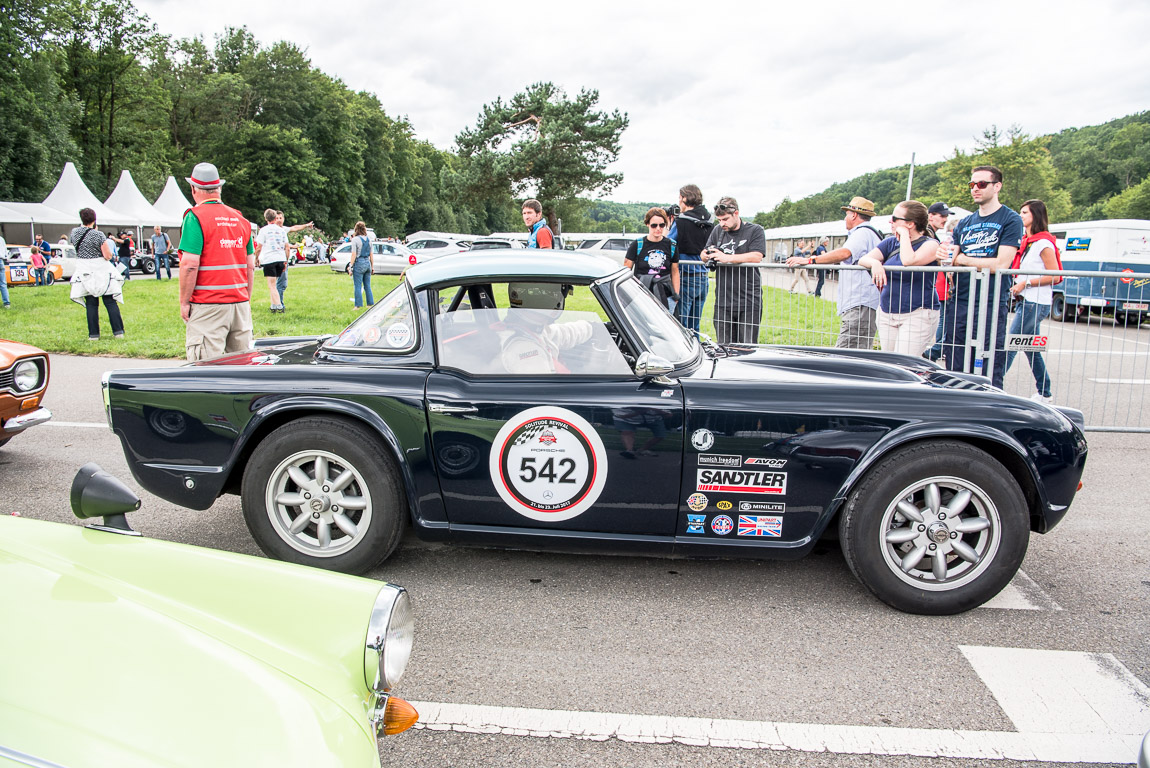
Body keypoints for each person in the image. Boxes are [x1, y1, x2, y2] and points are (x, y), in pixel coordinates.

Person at [937, 166, 1023, 388]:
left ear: (997, 187)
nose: (975, 188)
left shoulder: (1010, 219)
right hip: (961, 300)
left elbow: (1002, 264)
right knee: (955, 359)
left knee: (989, 361)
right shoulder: (965, 223)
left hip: (991, 302)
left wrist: (963, 260)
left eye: (981, 184)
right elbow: (950, 263)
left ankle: (989, 408)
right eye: (972, 184)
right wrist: (943, 258)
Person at [178, 161, 255, 361]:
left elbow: (189, 264)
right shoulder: (240, 219)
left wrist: (184, 302)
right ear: (219, 188)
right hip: (239, 303)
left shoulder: (195, 217)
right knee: (242, 365)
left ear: (194, 189)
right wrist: (245, 297)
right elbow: (250, 265)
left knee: (204, 370)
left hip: (208, 304)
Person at [790, 196, 882, 348]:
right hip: (861, 302)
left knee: (847, 353)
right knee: (857, 350)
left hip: (860, 302)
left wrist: (812, 260)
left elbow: (845, 253)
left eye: (847, 214)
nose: (845, 218)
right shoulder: (867, 233)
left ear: (853, 215)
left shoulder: (862, 233)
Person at [858, 200, 941, 356]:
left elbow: (908, 261)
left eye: (895, 218)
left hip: (918, 312)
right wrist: (875, 263)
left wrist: (903, 235)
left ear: (910, 223)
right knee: (889, 363)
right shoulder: (890, 242)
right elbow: (863, 259)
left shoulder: (931, 245)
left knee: (904, 362)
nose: (891, 221)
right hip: (888, 312)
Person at [1005, 199, 1060, 403]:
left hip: (1034, 302)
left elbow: (1055, 275)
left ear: (1035, 216)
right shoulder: (1028, 242)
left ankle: (993, 383)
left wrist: (1025, 283)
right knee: (1030, 348)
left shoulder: (1044, 243)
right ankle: (1045, 391)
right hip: (1027, 301)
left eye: (1025, 213)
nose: (1021, 216)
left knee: (1011, 344)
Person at [701, 196, 765, 344]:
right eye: (719, 220)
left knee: (747, 346)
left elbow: (756, 256)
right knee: (724, 346)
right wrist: (706, 255)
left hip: (748, 299)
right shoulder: (717, 231)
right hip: (724, 299)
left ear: (736, 213)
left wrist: (726, 257)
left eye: (725, 219)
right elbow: (704, 252)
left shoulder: (755, 230)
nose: (722, 223)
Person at [69, 208, 125, 340]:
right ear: (94, 220)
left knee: (91, 304)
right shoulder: (98, 235)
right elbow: (107, 255)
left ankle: (93, 334)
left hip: (84, 268)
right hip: (100, 269)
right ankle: (118, 331)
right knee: (110, 302)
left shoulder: (74, 233)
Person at [672, 184, 714, 334]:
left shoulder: (681, 221)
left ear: (684, 198)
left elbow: (668, 244)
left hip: (686, 276)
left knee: (680, 325)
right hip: (703, 277)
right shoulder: (710, 221)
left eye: (679, 198)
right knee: (694, 327)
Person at [625, 207, 680, 311]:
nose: (658, 228)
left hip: (666, 295)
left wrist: (676, 295)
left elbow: (675, 271)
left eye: (662, 225)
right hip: (641, 295)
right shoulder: (637, 245)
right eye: (654, 225)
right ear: (647, 224)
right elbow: (626, 271)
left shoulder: (671, 245)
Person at [254, 209, 288, 312]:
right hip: (281, 259)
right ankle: (273, 305)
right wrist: (286, 261)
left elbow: (259, 247)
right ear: (275, 218)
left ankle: (279, 306)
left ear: (266, 218)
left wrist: (256, 258)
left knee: (272, 285)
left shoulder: (264, 230)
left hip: (270, 259)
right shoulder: (281, 230)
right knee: (275, 284)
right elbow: (287, 247)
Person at [349, 221, 374, 308]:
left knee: (358, 285)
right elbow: (371, 254)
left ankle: (358, 305)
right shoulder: (369, 240)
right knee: (367, 285)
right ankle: (370, 304)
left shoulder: (355, 239)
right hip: (367, 263)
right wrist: (372, 266)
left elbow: (354, 254)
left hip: (359, 263)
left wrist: (350, 266)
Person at [0, 232, 9, 308]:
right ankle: (7, 303)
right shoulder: (1, 239)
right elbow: (6, 251)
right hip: (1, 261)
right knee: (3, 284)